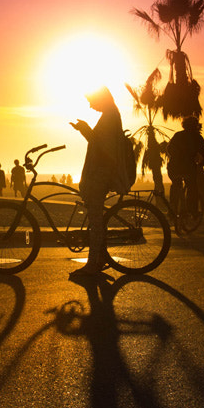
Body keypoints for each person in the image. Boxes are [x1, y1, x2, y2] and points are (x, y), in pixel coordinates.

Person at [70, 86, 128, 274]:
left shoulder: (110, 116)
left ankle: (93, 264)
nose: (90, 105)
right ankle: (99, 258)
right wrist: (85, 130)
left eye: (91, 101)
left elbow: (104, 147)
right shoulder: (110, 115)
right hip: (100, 172)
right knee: (96, 219)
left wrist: (86, 129)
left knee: (95, 220)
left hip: (101, 173)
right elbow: (100, 142)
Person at [166, 116, 203, 233]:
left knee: (175, 185)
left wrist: (176, 157)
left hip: (174, 167)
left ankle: (172, 210)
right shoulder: (197, 137)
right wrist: (201, 161)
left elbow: (169, 149)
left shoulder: (178, 135)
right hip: (188, 168)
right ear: (196, 126)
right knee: (192, 187)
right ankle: (193, 211)